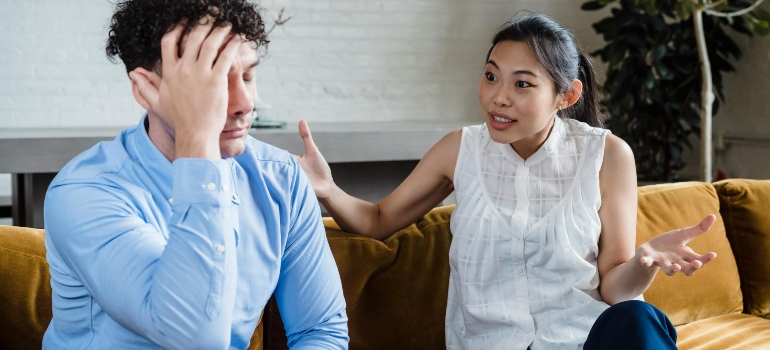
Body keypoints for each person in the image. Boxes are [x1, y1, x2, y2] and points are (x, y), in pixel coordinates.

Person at [294, 13, 717, 350]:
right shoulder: (460, 149)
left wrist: (643, 261)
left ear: (567, 96)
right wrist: (328, 190)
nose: (498, 96)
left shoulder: (607, 155)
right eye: (492, 76)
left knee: (638, 319)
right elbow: (378, 219)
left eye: (522, 84)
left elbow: (614, 288)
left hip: (582, 340)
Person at [42, 1, 348, 349]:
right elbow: (195, 340)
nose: (246, 102)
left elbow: (320, 331)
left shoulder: (281, 179)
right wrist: (199, 138)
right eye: (213, 81)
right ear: (147, 89)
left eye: (247, 76)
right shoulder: (84, 193)